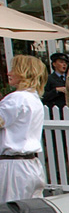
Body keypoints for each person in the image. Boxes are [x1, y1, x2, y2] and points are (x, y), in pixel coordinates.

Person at [0, 55, 48, 202]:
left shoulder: (17, 98)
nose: (9, 73)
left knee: (9, 212)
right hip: (31, 165)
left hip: (13, 167)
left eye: (14, 69)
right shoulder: (34, 99)